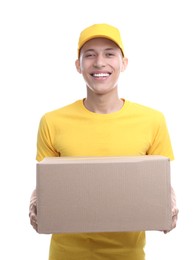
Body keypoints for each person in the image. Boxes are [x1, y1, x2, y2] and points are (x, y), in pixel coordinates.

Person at [29, 23, 179, 260]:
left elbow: (159, 180)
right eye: (89, 55)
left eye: (109, 54)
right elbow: (49, 182)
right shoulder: (52, 121)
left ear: (124, 63)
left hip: (128, 254)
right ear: (78, 66)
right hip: (67, 254)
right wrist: (37, 203)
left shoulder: (152, 120)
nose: (99, 63)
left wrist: (167, 205)